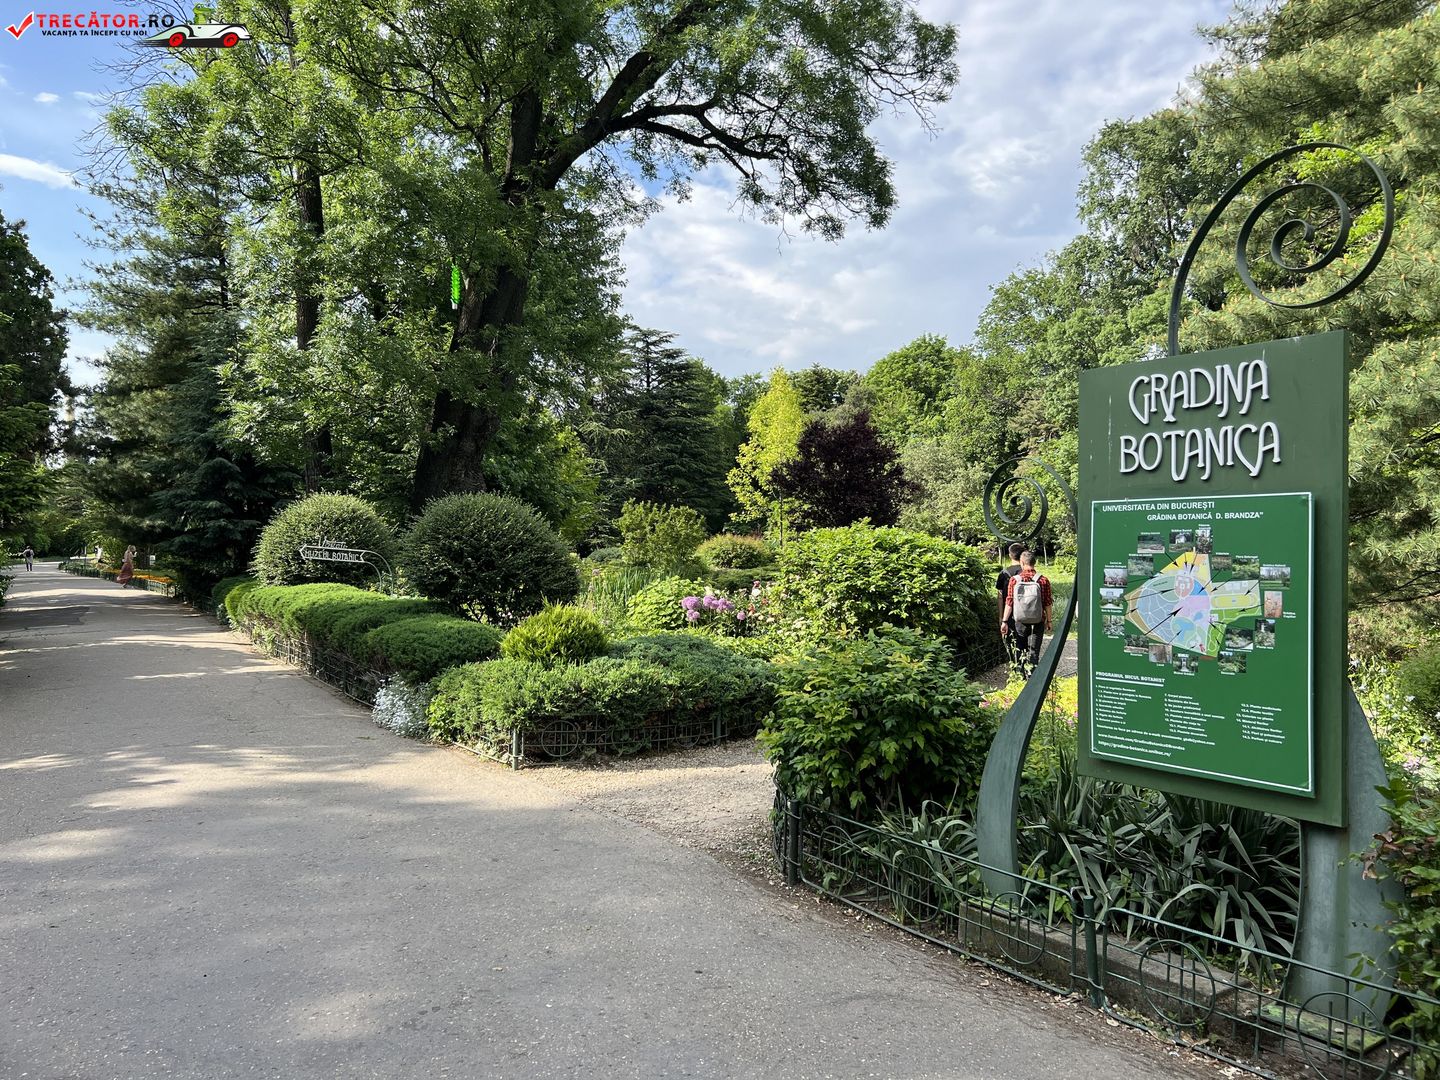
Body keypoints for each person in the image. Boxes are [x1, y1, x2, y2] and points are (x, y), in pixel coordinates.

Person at [1001, 550, 1053, 675]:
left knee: (1020, 650)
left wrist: (1004, 621)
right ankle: (1033, 678)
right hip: (1038, 620)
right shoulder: (1043, 580)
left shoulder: (1014, 580)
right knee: (1034, 652)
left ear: (1022, 563)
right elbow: (1048, 603)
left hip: (1020, 620)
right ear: (1035, 562)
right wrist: (1049, 621)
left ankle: (1021, 677)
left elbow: (1009, 602)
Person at [995, 542, 1025, 671]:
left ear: (1009, 555)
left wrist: (1001, 616)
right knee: (1025, 643)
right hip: (1026, 613)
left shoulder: (1004, 573)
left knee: (1012, 643)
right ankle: (1026, 669)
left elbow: (1000, 596)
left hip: (1010, 614)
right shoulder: (1027, 572)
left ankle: (1015, 669)